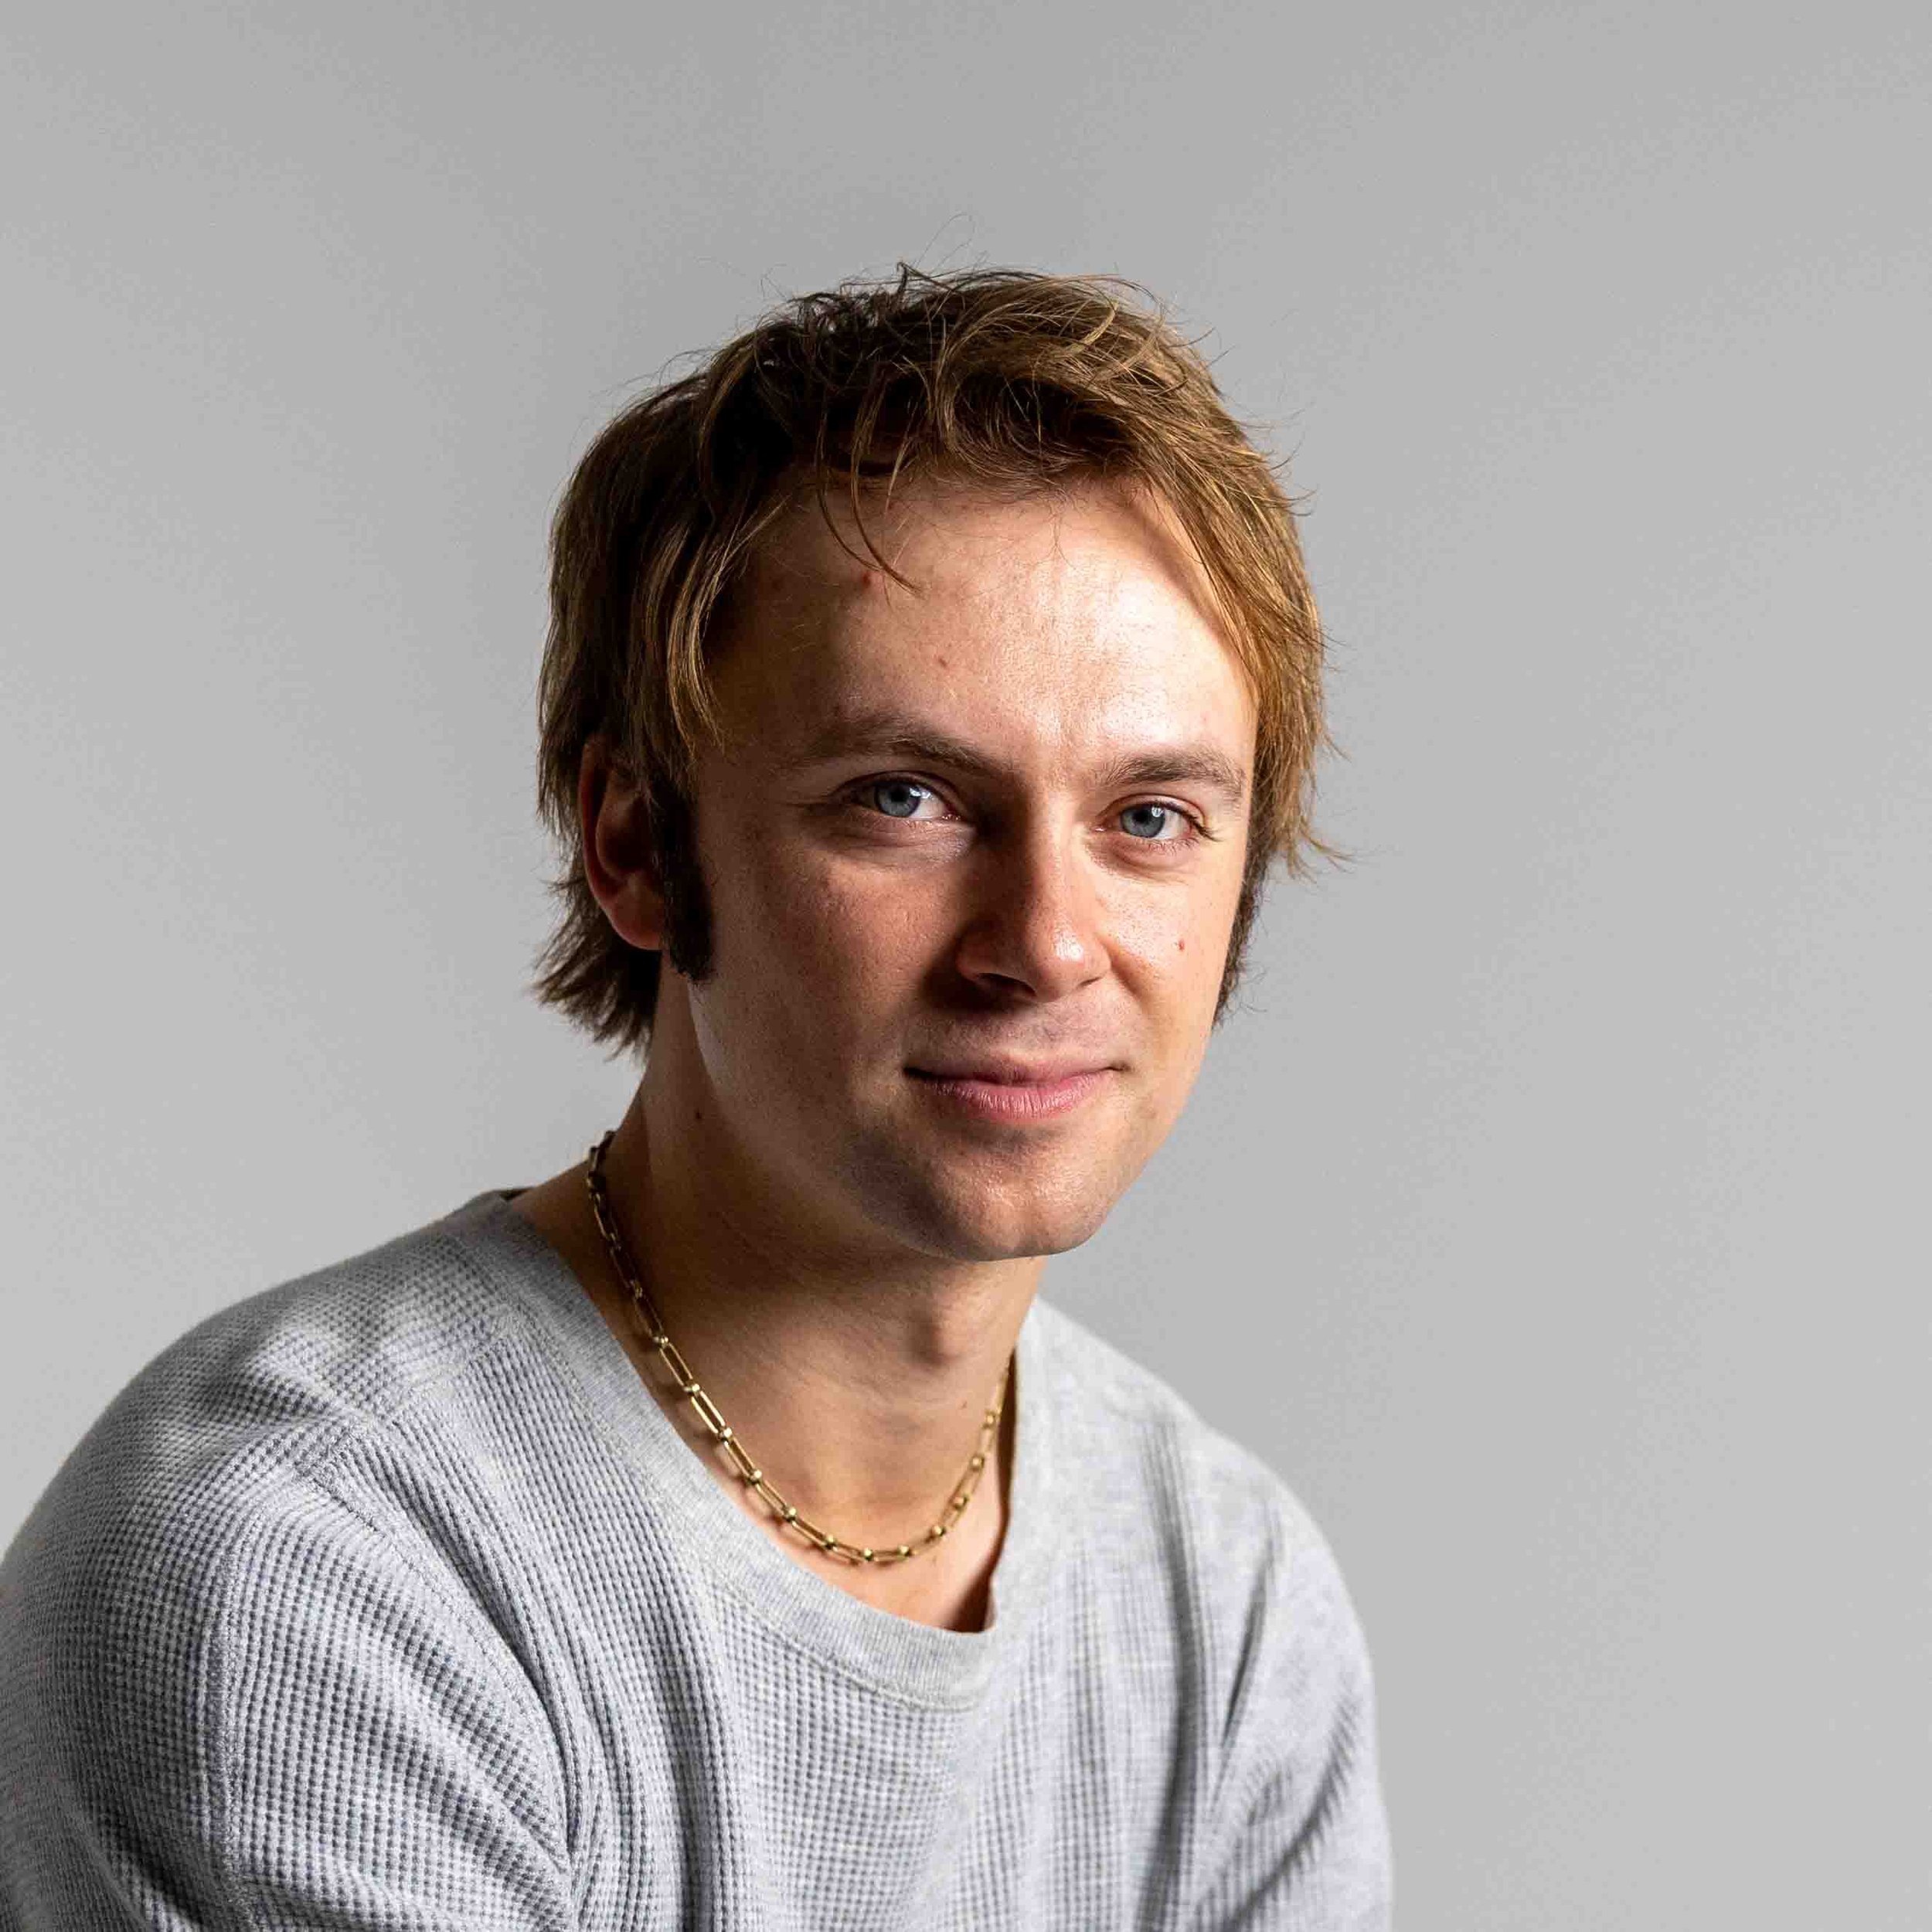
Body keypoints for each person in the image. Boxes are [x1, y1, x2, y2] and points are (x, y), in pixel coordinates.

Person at [0, 267, 1392, 1928]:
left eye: (1149, 815)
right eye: (904, 797)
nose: (1044, 940)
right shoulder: (312, 1563)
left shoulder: (1225, 1605)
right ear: (637, 846)